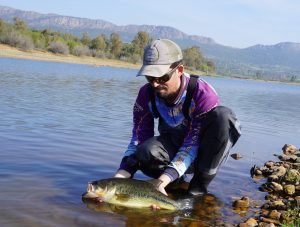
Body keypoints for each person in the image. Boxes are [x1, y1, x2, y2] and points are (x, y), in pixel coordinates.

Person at [114, 39, 241, 197]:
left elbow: (192, 145)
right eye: (150, 78)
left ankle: (198, 188)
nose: (155, 84)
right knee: (145, 151)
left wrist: (160, 182)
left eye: (161, 78)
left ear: (179, 70)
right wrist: (118, 178)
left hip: (203, 154)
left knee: (223, 116)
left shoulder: (203, 94)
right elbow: (138, 139)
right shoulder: (145, 94)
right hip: (172, 146)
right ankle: (172, 184)